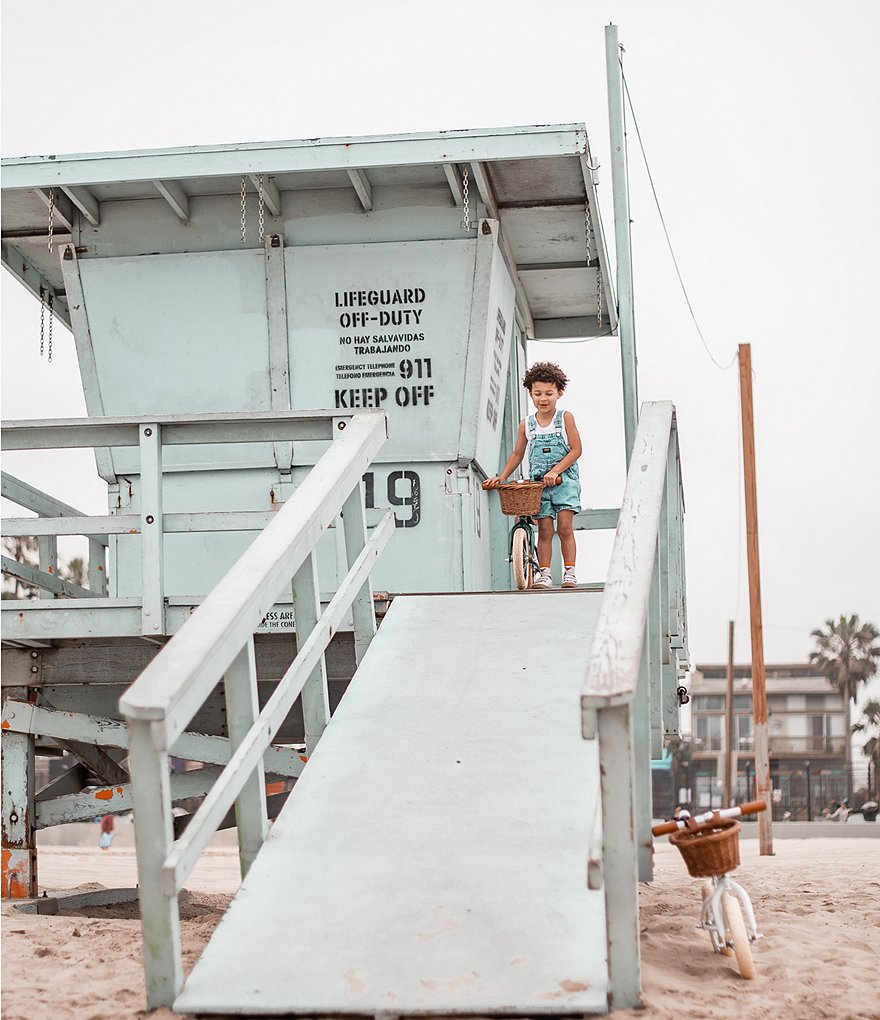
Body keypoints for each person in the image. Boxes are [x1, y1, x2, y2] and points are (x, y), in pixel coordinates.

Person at [483, 361, 582, 589]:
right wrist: (502, 476)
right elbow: (518, 454)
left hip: (564, 481)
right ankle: (544, 574)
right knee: (545, 529)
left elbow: (576, 450)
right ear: (530, 393)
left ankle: (570, 572)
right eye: (537, 393)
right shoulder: (526, 424)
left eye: (549, 393)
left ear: (559, 392)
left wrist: (556, 470)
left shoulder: (565, 418)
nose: (543, 398)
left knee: (565, 527)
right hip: (539, 485)